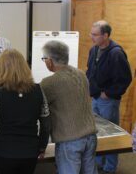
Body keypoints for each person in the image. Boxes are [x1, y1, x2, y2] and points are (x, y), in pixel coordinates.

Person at [0, 49, 50, 174]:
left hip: (4, 153)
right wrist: (42, 147)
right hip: (30, 152)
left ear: (1, 68)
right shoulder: (38, 90)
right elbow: (46, 124)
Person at [40, 40, 98, 174]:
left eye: (44, 59)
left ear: (49, 61)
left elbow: (39, 108)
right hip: (90, 136)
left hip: (69, 140)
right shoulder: (81, 74)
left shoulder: (49, 83)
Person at [86, 20, 132, 174]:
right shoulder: (94, 50)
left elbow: (125, 79)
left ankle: (110, 167)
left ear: (105, 35)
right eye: (91, 33)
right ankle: (99, 162)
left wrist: (109, 94)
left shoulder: (116, 53)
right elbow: (90, 71)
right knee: (97, 132)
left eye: (95, 34)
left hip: (108, 100)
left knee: (111, 135)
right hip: (96, 97)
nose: (91, 37)